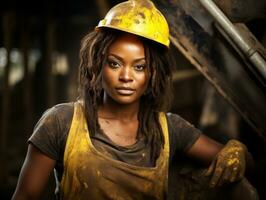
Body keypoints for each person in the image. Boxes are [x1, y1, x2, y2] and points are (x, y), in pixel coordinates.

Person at [12, 0, 253, 199]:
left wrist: (238, 151)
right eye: (114, 63)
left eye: (139, 67)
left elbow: (242, 166)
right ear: (98, 65)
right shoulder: (61, 123)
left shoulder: (169, 130)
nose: (126, 76)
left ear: (152, 73)